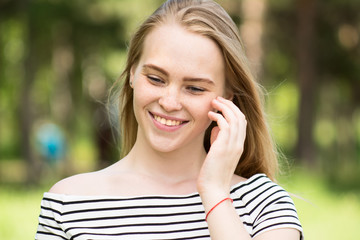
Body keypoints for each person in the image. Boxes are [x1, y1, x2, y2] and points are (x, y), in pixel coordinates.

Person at [35, 0, 303, 239]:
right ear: (131, 73)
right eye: (155, 78)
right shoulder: (68, 203)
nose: (169, 102)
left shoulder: (266, 205)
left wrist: (214, 192)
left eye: (195, 88)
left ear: (227, 98)